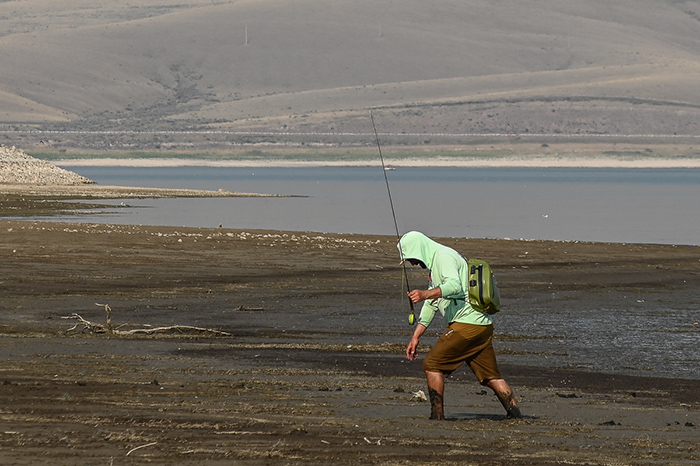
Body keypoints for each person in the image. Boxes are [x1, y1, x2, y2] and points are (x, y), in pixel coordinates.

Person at [398, 231, 522, 420]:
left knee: (432, 365)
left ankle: (436, 417)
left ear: (419, 249)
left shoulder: (443, 257)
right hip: (481, 325)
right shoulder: (435, 265)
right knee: (491, 377)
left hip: (467, 325)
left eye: (411, 259)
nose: (412, 264)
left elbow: (455, 286)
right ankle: (516, 416)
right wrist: (416, 337)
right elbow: (432, 304)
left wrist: (424, 294)